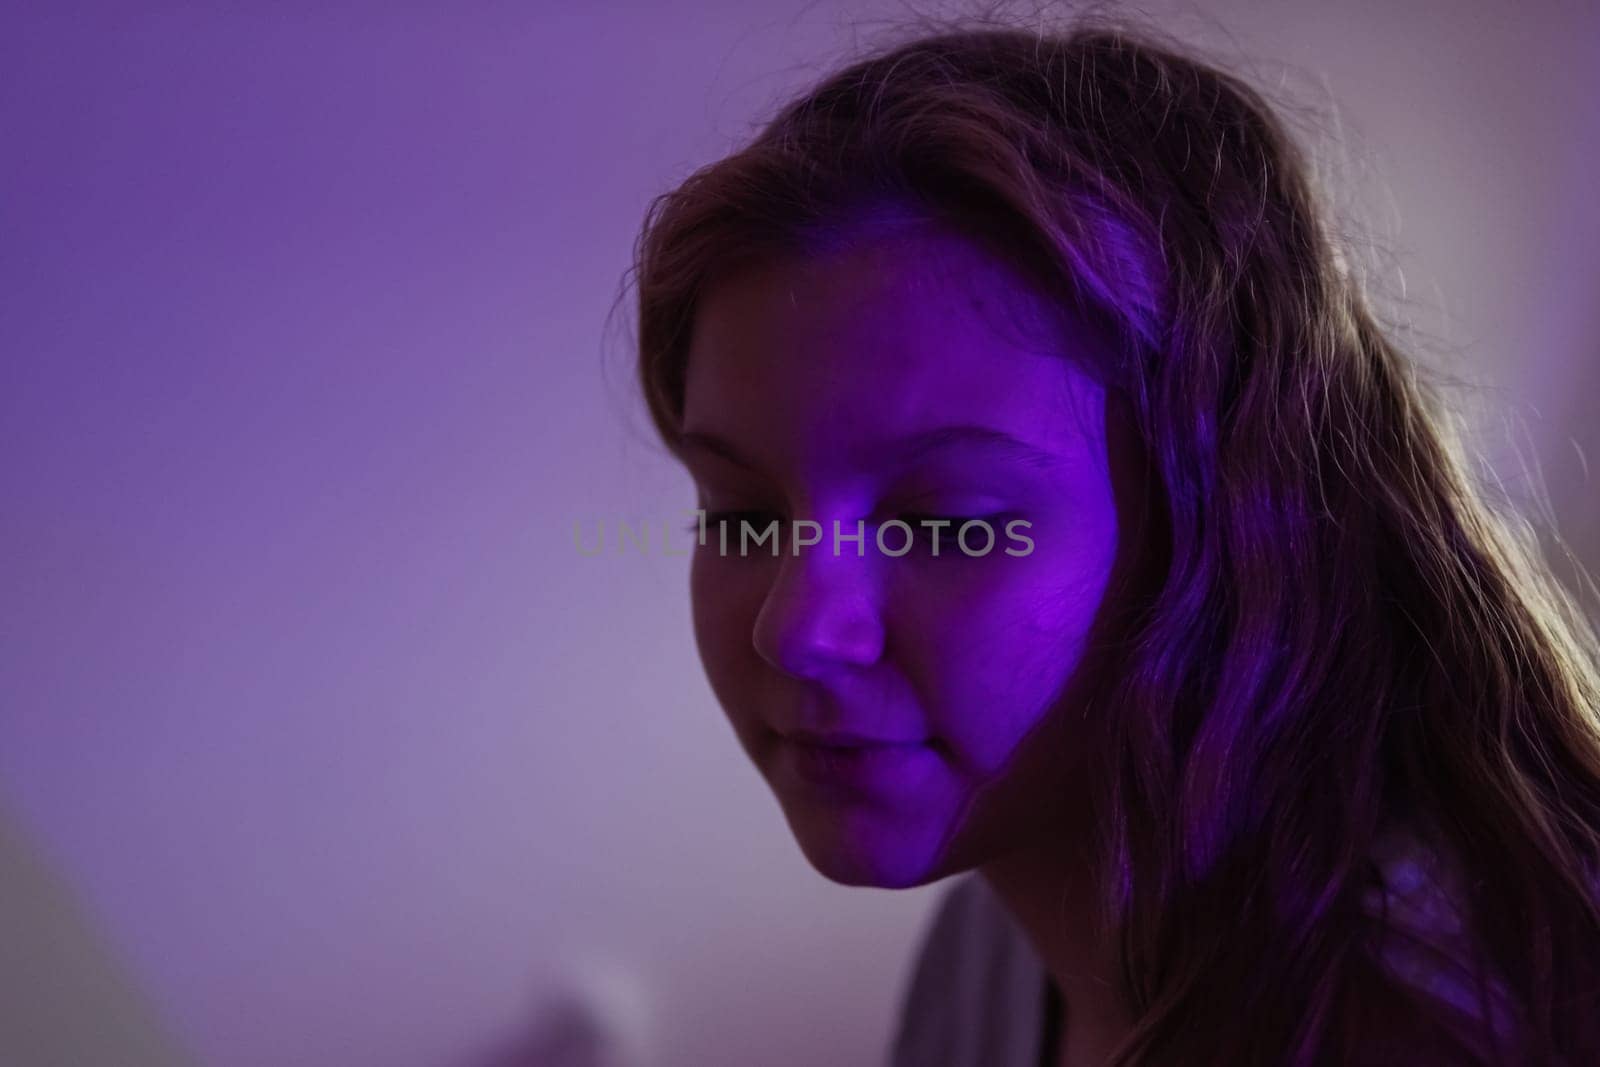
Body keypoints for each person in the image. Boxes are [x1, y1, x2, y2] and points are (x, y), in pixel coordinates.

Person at [626, 12, 1600, 1065]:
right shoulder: (991, 946)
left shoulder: (1459, 1024)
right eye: (741, 515)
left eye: (944, 524)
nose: (799, 627)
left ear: (1220, 522)